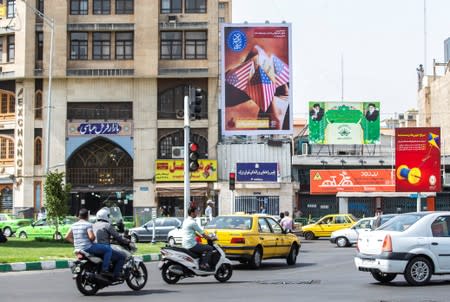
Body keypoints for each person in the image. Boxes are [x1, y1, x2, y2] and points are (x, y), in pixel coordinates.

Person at [65, 208, 113, 276]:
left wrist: (75, 242)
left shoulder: (73, 225)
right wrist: (93, 238)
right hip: (88, 247)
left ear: (79, 216)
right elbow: (91, 237)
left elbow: (67, 237)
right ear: (87, 216)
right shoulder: (88, 224)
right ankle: (105, 270)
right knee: (108, 249)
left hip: (77, 248)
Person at [93, 207, 131, 280]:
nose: (109, 217)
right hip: (103, 249)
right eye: (108, 216)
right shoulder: (107, 225)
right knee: (121, 257)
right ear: (105, 216)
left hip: (94, 248)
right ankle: (116, 275)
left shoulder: (93, 225)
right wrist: (127, 241)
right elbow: (118, 236)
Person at [182, 206, 214, 271]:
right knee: (210, 248)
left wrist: (200, 236)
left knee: (201, 247)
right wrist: (210, 238)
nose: (197, 213)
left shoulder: (186, 221)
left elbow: (191, 231)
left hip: (185, 243)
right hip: (191, 245)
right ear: (192, 213)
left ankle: (199, 263)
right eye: (196, 211)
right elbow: (202, 233)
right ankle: (203, 264)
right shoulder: (193, 223)